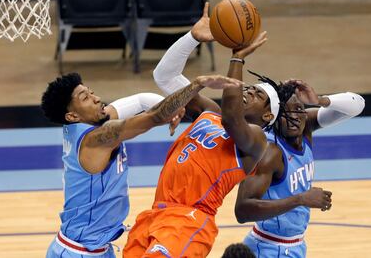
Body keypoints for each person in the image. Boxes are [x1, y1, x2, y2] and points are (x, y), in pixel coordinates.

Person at [123, 3, 298, 258]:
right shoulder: (209, 111)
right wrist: (192, 38)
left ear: (267, 115)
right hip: (157, 212)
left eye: (258, 93)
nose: (248, 90)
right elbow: (165, 77)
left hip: (189, 219)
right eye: (247, 87)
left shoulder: (256, 141)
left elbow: (231, 118)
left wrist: (237, 57)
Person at [41, 72, 241, 258]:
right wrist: (197, 84)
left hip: (98, 249)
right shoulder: (96, 139)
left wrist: (172, 109)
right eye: (85, 98)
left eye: (91, 92)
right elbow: (154, 117)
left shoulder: (89, 123)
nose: (96, 99)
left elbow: (140, 101)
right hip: (77, 252)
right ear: (72, 116)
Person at [235, 76, 365, 257]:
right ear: (273, 117)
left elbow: (358, 104)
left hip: (293, 245)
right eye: (286, 113)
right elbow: (242, 211)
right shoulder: (270, 152)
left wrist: (320, 101)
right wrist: (301, 199)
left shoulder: (305, 126)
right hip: (270, 248)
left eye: (298, 109)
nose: (294, 117)